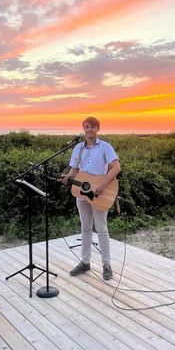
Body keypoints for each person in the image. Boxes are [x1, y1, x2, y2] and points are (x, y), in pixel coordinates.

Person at [60, 117, 121, 280]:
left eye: (93, 127)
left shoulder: (105, 147)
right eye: (87, 127)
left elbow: (116, 167)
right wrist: (68, 177)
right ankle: (85, 262)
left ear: (98, 129)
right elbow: (75, 170)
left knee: (101, 228)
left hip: (99, 194)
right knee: (85, 228)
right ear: (83, 129)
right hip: (82, 194)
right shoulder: (78, 148)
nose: (89, 130)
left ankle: (106, 265)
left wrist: (102, 185)